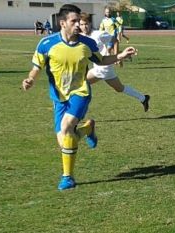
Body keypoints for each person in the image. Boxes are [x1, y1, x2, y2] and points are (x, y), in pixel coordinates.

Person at [21, 4, 138, 191]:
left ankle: (67, 177)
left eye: (79, 21)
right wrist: (30, 79)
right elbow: (36, 68)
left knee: (67, 128)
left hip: (80, 93)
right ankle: (87, 128)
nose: (78, 25)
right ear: (62, 23)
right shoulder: (46, 44)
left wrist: (120, 55)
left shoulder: (87, 44)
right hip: (58, 97)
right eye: (74, 21)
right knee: (65, 140)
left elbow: (101, 61)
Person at [79, 12, 150, 112]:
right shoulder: (80, 36)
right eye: (81, 24)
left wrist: (117, 57)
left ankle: (76, 114)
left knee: (79, 85)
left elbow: (115, 40)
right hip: (101, 67)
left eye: (86, 23)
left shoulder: (98, 34)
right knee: (119, 88)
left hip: (103, 67)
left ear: (90, 23)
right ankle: (143, 98)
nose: (84, 26)